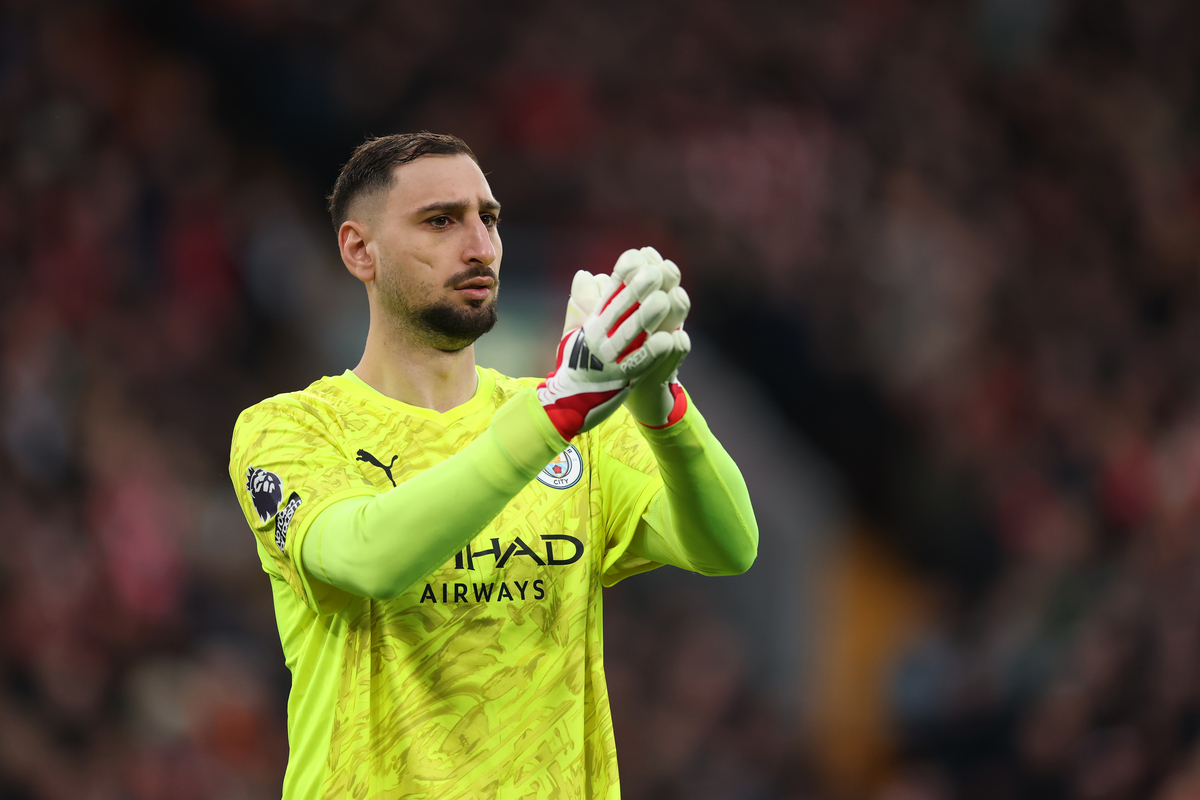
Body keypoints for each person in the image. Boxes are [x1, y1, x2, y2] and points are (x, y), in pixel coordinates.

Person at [228, 131, 758, 799]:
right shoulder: (292, 429)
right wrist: (562, 407)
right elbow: (367, 559)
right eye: (441, 221)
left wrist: (659, 399)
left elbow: (729, 545)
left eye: (490, 218)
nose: (479, 246)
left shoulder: (571, 417)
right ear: (360, 250)